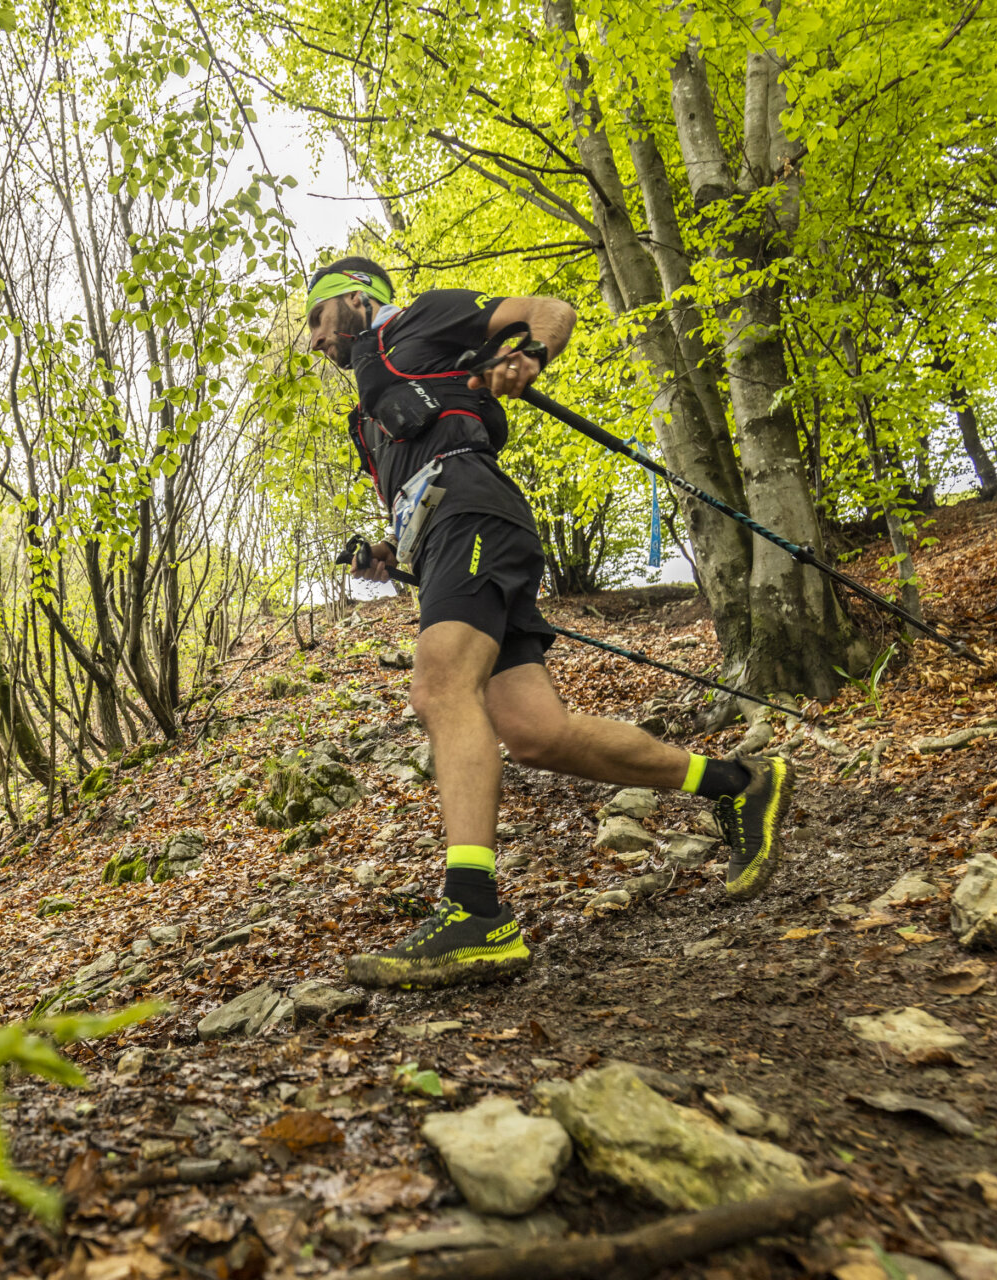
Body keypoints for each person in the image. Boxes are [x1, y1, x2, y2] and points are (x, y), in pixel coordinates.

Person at [303, 256, 792, 989]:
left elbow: (551, 309)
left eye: (314, 321)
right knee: (535, 732)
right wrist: (382, 552)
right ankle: (738, 784)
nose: (314, 342)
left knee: (439, 689)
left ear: (349, 300)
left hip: (474, 516)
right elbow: (413, 488)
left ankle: (475, 915)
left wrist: (526, 352)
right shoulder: (371, 419)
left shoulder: (416, 322)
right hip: (451, 535)